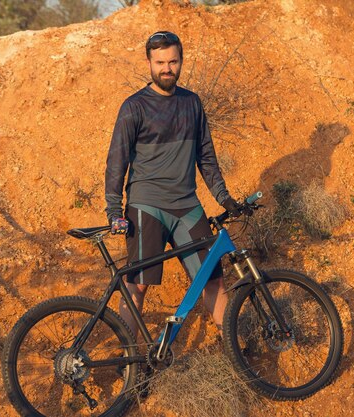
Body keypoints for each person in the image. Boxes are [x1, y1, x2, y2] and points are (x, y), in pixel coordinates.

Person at [104, 31, 241, 341]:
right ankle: (131, 360)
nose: (167, 68)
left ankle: (237, 354)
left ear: (181, 61)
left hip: (187, 206)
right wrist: (114, 210)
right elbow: (117, 161)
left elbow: (206, 157)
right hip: (146, 205)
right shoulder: (134, 107)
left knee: (213, 280)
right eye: (160, 62)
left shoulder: (192, 103)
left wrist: (224, 198)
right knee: (136, 284)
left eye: (173, 61)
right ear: (149, 63)